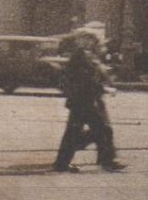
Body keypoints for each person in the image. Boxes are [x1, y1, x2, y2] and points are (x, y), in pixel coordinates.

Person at [53, 32, 126, 173]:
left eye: (92, 40)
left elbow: (94, 74)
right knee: (103, 129)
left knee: (74, 132)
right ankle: (106, 161)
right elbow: (85, 79)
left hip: (85, 99)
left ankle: (62, 163)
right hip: (86, 99)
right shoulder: (81, 56)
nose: (90, 42)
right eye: (87, 39)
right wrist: (104, 88)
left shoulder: (87, 55)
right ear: (81, 41)